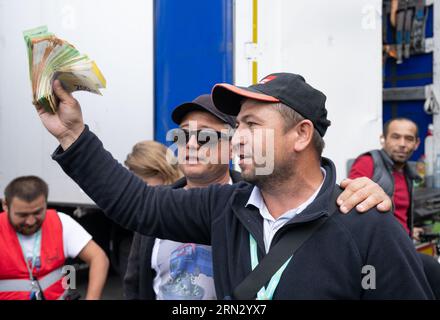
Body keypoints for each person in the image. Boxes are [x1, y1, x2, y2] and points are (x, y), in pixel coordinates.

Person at [33, 73, 433, 299]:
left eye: (252, 125)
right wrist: (73, 134)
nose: (237, 137)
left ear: (301, 135)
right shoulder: (225, 207)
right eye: (238, 125)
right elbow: (139, 205)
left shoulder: (365, 224)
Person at [124, 95, 241, 300]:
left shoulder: (253, 203)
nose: (192, 144)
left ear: (231, 148)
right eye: (183, 135)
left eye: (205, 137)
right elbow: (134, 285)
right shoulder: (156, 205)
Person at [0, 176, 109, 300]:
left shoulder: (61, 223)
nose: (30, 221)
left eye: (37, 213)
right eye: (22, 215)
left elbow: (98, 258)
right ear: (5, 205)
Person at [348, 117, 423, 239]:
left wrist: (410, 230)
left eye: (409, 139)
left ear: (416, 144)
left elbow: (400, 215)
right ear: (383, 139)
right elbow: (352, 206)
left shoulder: (408, 173)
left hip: (404, 243)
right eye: (396, 137)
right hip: (380, 245)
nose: (402, 144)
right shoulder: (368, 162)